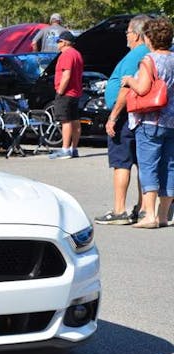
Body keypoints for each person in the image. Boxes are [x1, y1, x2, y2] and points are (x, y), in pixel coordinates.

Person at [95, 15, 151, 225]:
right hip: (140, 115)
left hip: (125, 116)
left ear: (136, 34)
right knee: (141, 162)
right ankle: (142, 207)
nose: (126, 36)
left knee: (122, 162)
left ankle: (119, 210)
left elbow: (126, 88)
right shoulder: (150, 53)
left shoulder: (135, 55)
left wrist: (113, 116)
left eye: (127, 32)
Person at [122, 17, 174, 228]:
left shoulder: (149, 60)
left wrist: (128, 80)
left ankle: (149, 215)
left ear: (149, 38)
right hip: (172, 121)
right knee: (170, 166)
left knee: (148, 166)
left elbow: (143, 88)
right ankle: (163, 215)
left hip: (151, 121)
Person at [49, 31, 83, 160]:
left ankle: (65, 149)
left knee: (66, 120)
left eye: (58, 41)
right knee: (75, 120)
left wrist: (60, 91)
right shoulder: (77, 54)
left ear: (64, 42)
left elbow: (66, 75)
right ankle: (74, 148)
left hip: (67, 92)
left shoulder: (66, 55)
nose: (57, 44)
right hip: (76, 92)